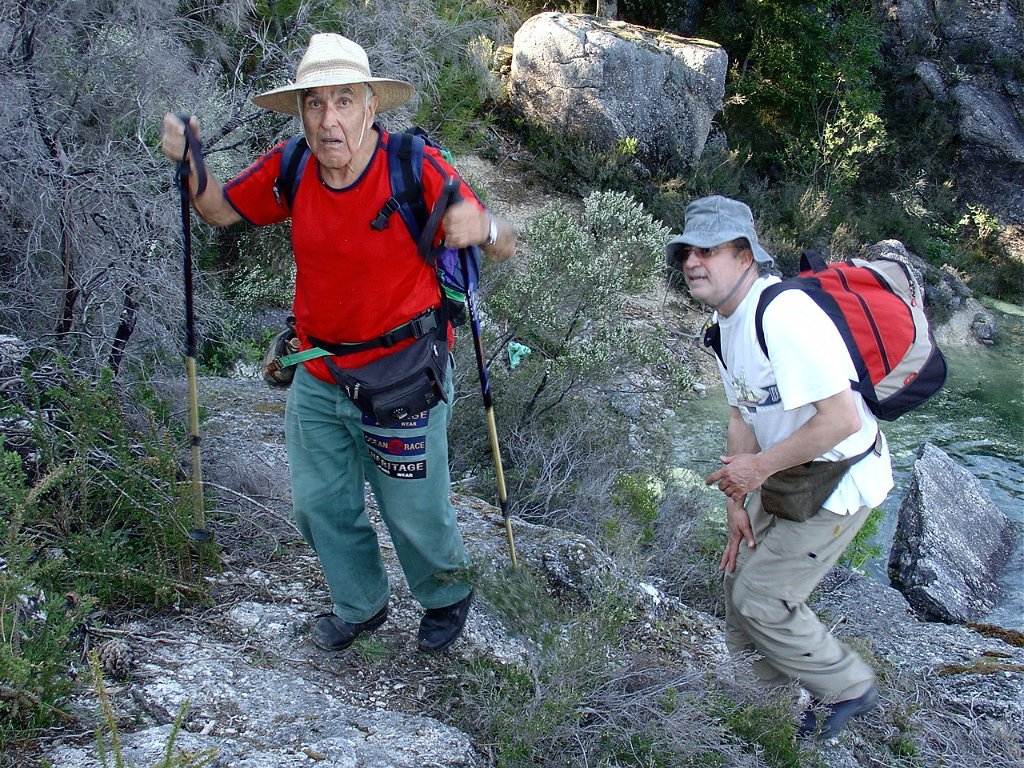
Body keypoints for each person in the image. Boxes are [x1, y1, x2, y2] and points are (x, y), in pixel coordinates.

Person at [161, 32, 515, 654]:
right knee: (319, 504)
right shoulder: (291, 166)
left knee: (413, 508)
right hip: (320, 371)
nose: (329, 120)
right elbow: (219, 210)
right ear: (301, 112)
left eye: (344, 100)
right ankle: (360, 605)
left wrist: (482, 226)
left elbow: (505, 241)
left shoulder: (413, 167)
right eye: (316, 103)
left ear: (371, 107)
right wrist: (193, 165)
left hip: (404, 373)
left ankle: (445, 595)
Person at [666, 196, 892, 740]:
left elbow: (840, 419)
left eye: (708, 250)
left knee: (763, 598)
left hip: (838, 480)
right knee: (737, 588)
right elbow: (741, 414)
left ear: (745, 256)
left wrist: (758, 469)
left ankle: (850, 686)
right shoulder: (724, 325)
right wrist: (736, 503)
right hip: (787, 476)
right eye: (687, 252)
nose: (693, 262)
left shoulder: (784, 314)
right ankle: (768, 717)